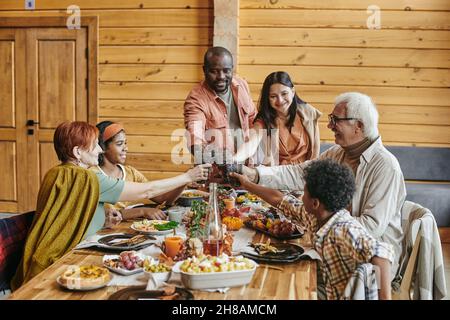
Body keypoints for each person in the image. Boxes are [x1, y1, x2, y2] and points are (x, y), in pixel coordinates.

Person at [11, 121, 210, 289]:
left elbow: (67, 214)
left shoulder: (55, 173)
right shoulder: (88, 178)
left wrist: (100, 217)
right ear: (77, 152)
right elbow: (147, 191)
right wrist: (187, 176)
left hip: (38, 257)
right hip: (58, 264)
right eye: (94, 145)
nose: (99, 150)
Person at [240, 92, 406, 276]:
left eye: (336, 120)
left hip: (366, 268)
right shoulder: (337, 153)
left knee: (287, 277)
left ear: (358, 125)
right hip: (333, 248)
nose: (329, 125)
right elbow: (298, 173)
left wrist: (322, 228)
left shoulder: (386, 167)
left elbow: (372, 228)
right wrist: (253, 174)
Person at [232, 159, 394, 300]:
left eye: (304, 193)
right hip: (332, 290)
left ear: (315, 203)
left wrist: (384, 297)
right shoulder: (317, 216)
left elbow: (381, 255)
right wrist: (247, 184)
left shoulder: (343, 230)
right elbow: (279, 199)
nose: (301, 197)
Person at [92, 121, 185, 220]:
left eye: (125, 143)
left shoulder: (131, 172)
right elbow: (103, 215)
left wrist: (185, 181)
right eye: (119, 144)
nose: (126, 148)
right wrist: (142, 211)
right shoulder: (93, 175)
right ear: (103, 147)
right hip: (103, 233)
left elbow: (162, 199)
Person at [183, 46, 257, 164]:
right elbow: (195, 139)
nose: (221, 77)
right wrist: (218, 160)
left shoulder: (241, 85)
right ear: (204, 70)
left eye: (226, 70)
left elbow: (254, 120)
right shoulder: (196, 99)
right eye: (214, 71)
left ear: (232, 69)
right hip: (218, 173)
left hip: (248, 166)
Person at [233, 71, 321, 166]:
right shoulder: (264, 120)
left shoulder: (309, 112)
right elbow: (251, 143)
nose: (280, 100)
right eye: (273, 96)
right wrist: (234, 159)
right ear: (267, 98)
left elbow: (315, 150)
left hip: (307, 172)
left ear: (292, 92)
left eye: (284, 94)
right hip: (278, 175)